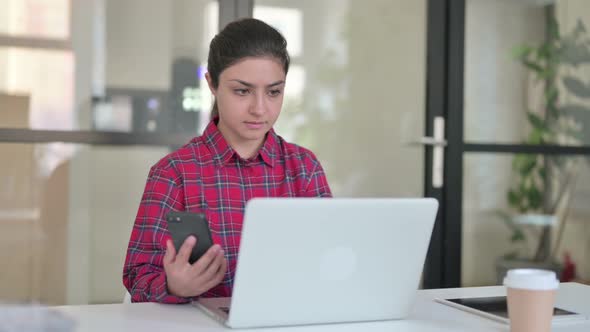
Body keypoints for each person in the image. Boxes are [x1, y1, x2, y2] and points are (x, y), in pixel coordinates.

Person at [122, 18, 332, 303]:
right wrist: (173, 285)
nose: (259, 109)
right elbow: (138, 275)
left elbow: (329, 258)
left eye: (273, 92)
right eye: (242, 91)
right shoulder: (173, 173)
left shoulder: (304, 168)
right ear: (212, 83)